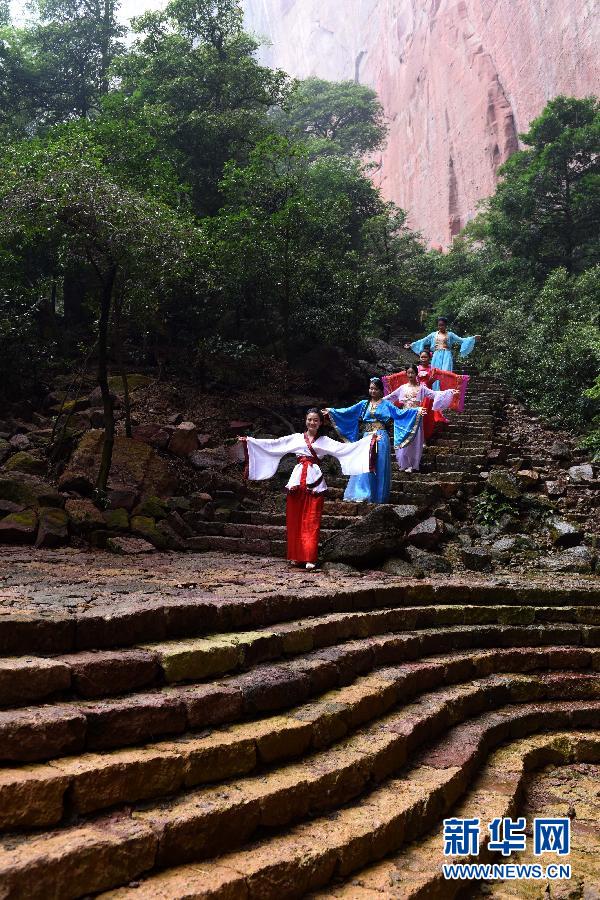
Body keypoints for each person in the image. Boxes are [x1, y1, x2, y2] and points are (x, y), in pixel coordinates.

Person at [238, 408, 376, 569]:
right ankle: (296, 556)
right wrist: (248, 441)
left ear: (320, 422)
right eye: (310, 419)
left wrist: (370, 440)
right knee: (294, 519)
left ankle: (310, 557)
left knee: (312, 519)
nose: (312, 422)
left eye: (316, 420)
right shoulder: (296, 439)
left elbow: (345, 450)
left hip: (314, 482)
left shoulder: (325, 441)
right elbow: (273, 445)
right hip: (297, 481)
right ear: (306, 420)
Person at [323, 377, 423, 502]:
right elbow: (348, 412)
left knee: (379, 464)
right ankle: (362, 493)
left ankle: (378, 496)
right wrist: (331, 411)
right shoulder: (364, 404)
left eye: (375, 389)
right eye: (371, 388)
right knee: (364, 464)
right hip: (366, 437)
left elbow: (400, 413)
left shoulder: (387, 404)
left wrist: (416, 411)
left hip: (381, 437)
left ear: (381, 391)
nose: (373, 391)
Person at [382, 349, 470, 443]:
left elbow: (446, 375)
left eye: (425, 357)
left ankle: (422, 439)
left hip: (427, 395)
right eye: (422, 357)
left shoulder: (433, 370)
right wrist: (388, 379)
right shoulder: (415, 369)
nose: (423, 359)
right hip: (414, 394)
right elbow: (400, 375)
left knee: (425, 418)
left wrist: (457, 382)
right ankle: (408, 440)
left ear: (430, 358)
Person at [384, 365, 458, 472]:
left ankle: (412, 464)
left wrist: (450, 392)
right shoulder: (402, 388)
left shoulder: (422, 388)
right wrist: (377, 400)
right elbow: (390, 397)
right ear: (406, 374)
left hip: (416, 416)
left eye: (412, 373)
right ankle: (403, 463)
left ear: (416, 374)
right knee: (403, 439)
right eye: (408, 373)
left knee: (414, 441)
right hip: (403, 416)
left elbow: (434, 394)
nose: (410, 375)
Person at [405, 317, 480, 388]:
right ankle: (435, 391)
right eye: (439, 325)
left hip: (446, 355)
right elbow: (423, 341)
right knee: (435, 373)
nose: (440, 327)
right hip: (436, 355)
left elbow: (461, 340)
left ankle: (445, 390)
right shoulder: (433, 335)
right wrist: (411, 345)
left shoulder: (450, 334)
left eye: (442, 325)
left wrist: (473, 338)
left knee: (445, 372)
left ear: (445, 325)